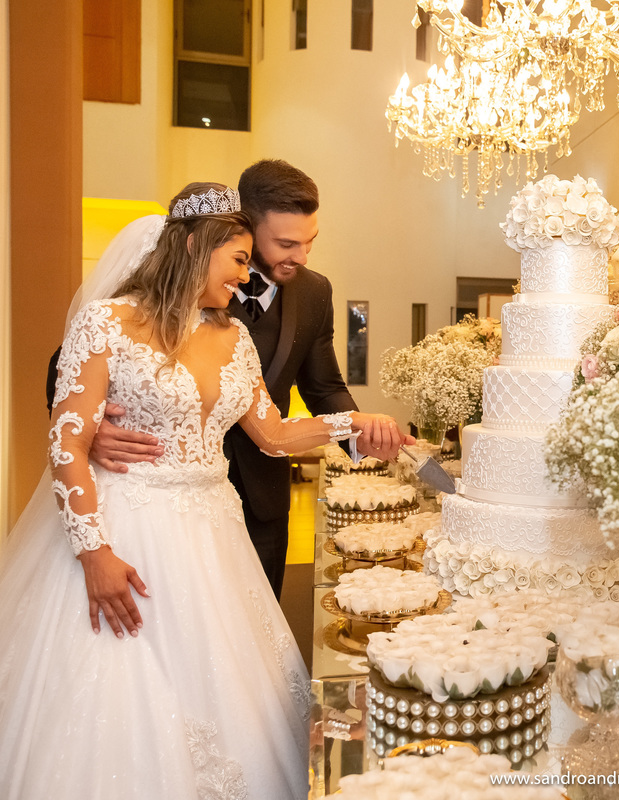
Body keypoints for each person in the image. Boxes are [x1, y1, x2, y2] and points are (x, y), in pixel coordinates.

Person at [0, 182, 404, 798]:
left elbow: (272, 434)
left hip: (213, 532)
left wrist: (353, 424)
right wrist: (94, 553)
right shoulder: (106, 323)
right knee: (124, 683)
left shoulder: (234, 339)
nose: (246, 277)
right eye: (239, 259)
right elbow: (67, 444)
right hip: (127, 528)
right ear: (193, 245)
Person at [46, 160, 404, 598]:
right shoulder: (121, 312)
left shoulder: (299, 300)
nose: (301, 257)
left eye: (309, 243)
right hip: (138, 498)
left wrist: (356, 428)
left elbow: (317, 391)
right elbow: (69, 376)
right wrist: (92, 430)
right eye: (286, 243)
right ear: (243, 229)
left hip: (242, 503)